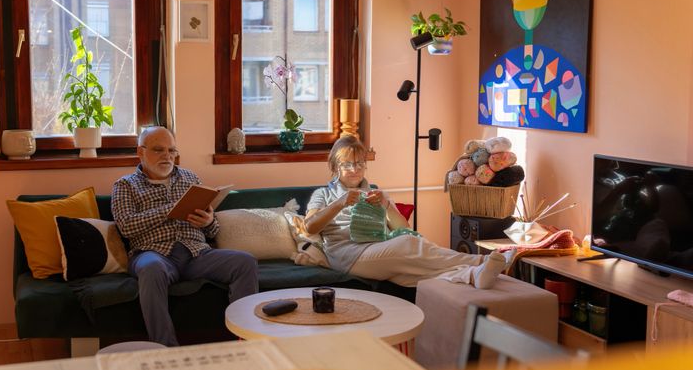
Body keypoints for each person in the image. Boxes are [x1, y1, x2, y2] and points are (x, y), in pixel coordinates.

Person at [112, 126, 258, 345]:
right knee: (151, 269)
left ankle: (245, 341)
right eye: (159, 149)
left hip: (196, 254)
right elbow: (126, 226)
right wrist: (171, 208)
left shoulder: (190, 178)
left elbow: (213, 231)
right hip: (154, 254)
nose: (167, 156)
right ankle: (166, 348)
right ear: (140, 152)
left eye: (172, 150)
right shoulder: (125, 185)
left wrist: (208, 222)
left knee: (244, 262)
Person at [305, 136, 511, 289]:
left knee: (412, 276)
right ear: (335, 166)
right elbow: (309, 226)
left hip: (377, 248)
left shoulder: (375, 193)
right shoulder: (323, 194)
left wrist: (385, 204)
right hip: (347, 255)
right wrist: (339, 203)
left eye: (359, 163)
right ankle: (481, 261)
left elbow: (403, 228)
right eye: (347, 164)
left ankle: (474, 276)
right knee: (410, 244)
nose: (355, 169)